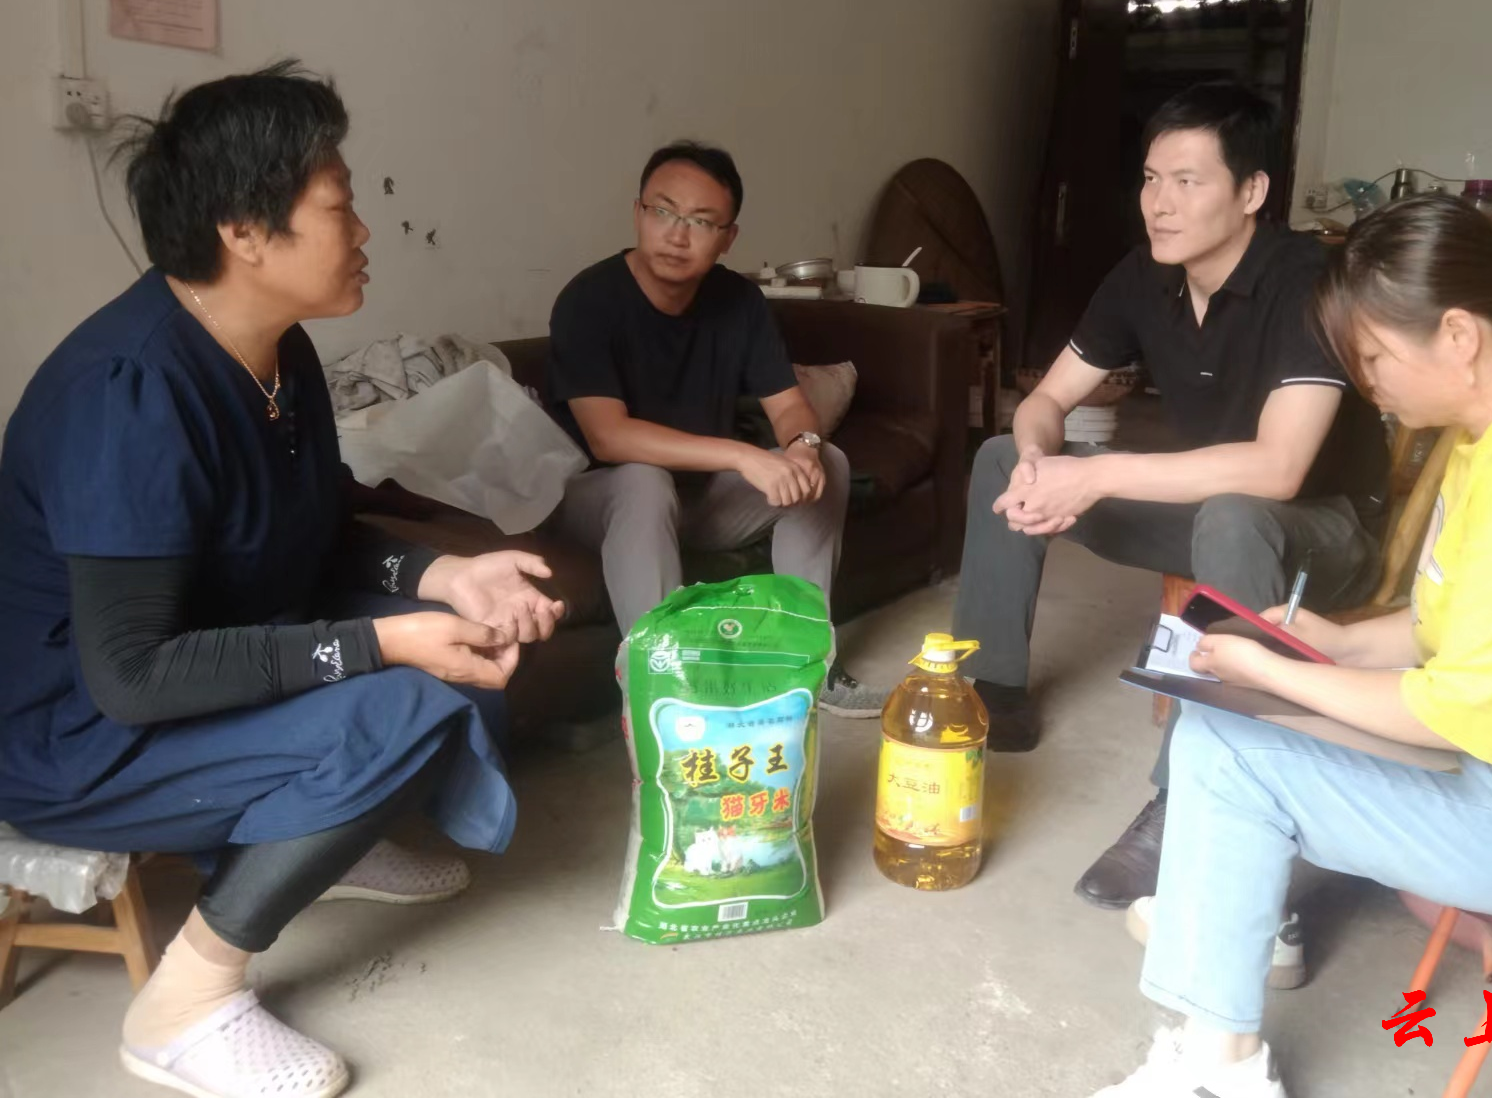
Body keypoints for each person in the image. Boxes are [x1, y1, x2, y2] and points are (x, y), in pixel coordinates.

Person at [0, 63, 566, 1098]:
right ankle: (183, 1004)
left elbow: (316, 529)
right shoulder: (128, 393)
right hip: (76, 734)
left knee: (455, 638)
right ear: (245, 233)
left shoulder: (278, 352)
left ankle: (314, 832)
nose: (364, 230)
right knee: (405, 697)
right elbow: (132, 675)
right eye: (339, 206)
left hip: (212, 643)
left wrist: (446, 574)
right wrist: (385, 643)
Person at [1090, 194, 1492, 1098]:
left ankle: (1222, 1066)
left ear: (1459, 335)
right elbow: (1447, 622)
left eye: (1374, 357)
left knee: (1232, 753)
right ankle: (1225, 964)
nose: (1366, 382)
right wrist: (1335, 644)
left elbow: (1452, 716)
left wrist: (1273, 672)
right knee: (1224, 729)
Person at [951, 83, 1389, 908]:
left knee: (1235, 517)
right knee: (1001, 455)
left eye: (1188, 181)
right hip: (1208, 509)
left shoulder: (1308, 282)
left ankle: (1186, 796)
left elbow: (1278, 469)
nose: (1159, 203)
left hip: (1325, 531)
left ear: (1251, 191)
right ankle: (990, 693)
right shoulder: (1142, 276)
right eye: (1152, 179)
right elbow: (1045, 400)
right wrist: (1041, 465)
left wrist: (1098, 474)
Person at [544, 141, 882, 715]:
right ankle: (663, 687)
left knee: (828, 464)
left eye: (701, 222)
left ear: (728, 237)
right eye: (663, 212)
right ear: (637, 213)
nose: (677, 235)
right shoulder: (588, 301)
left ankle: (808, 664)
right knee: (643, 481)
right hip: (595, 502)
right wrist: (743, 455)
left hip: (697, 502)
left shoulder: (739, 302)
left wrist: (802, 447)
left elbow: (790, 408)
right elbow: (609, 437)